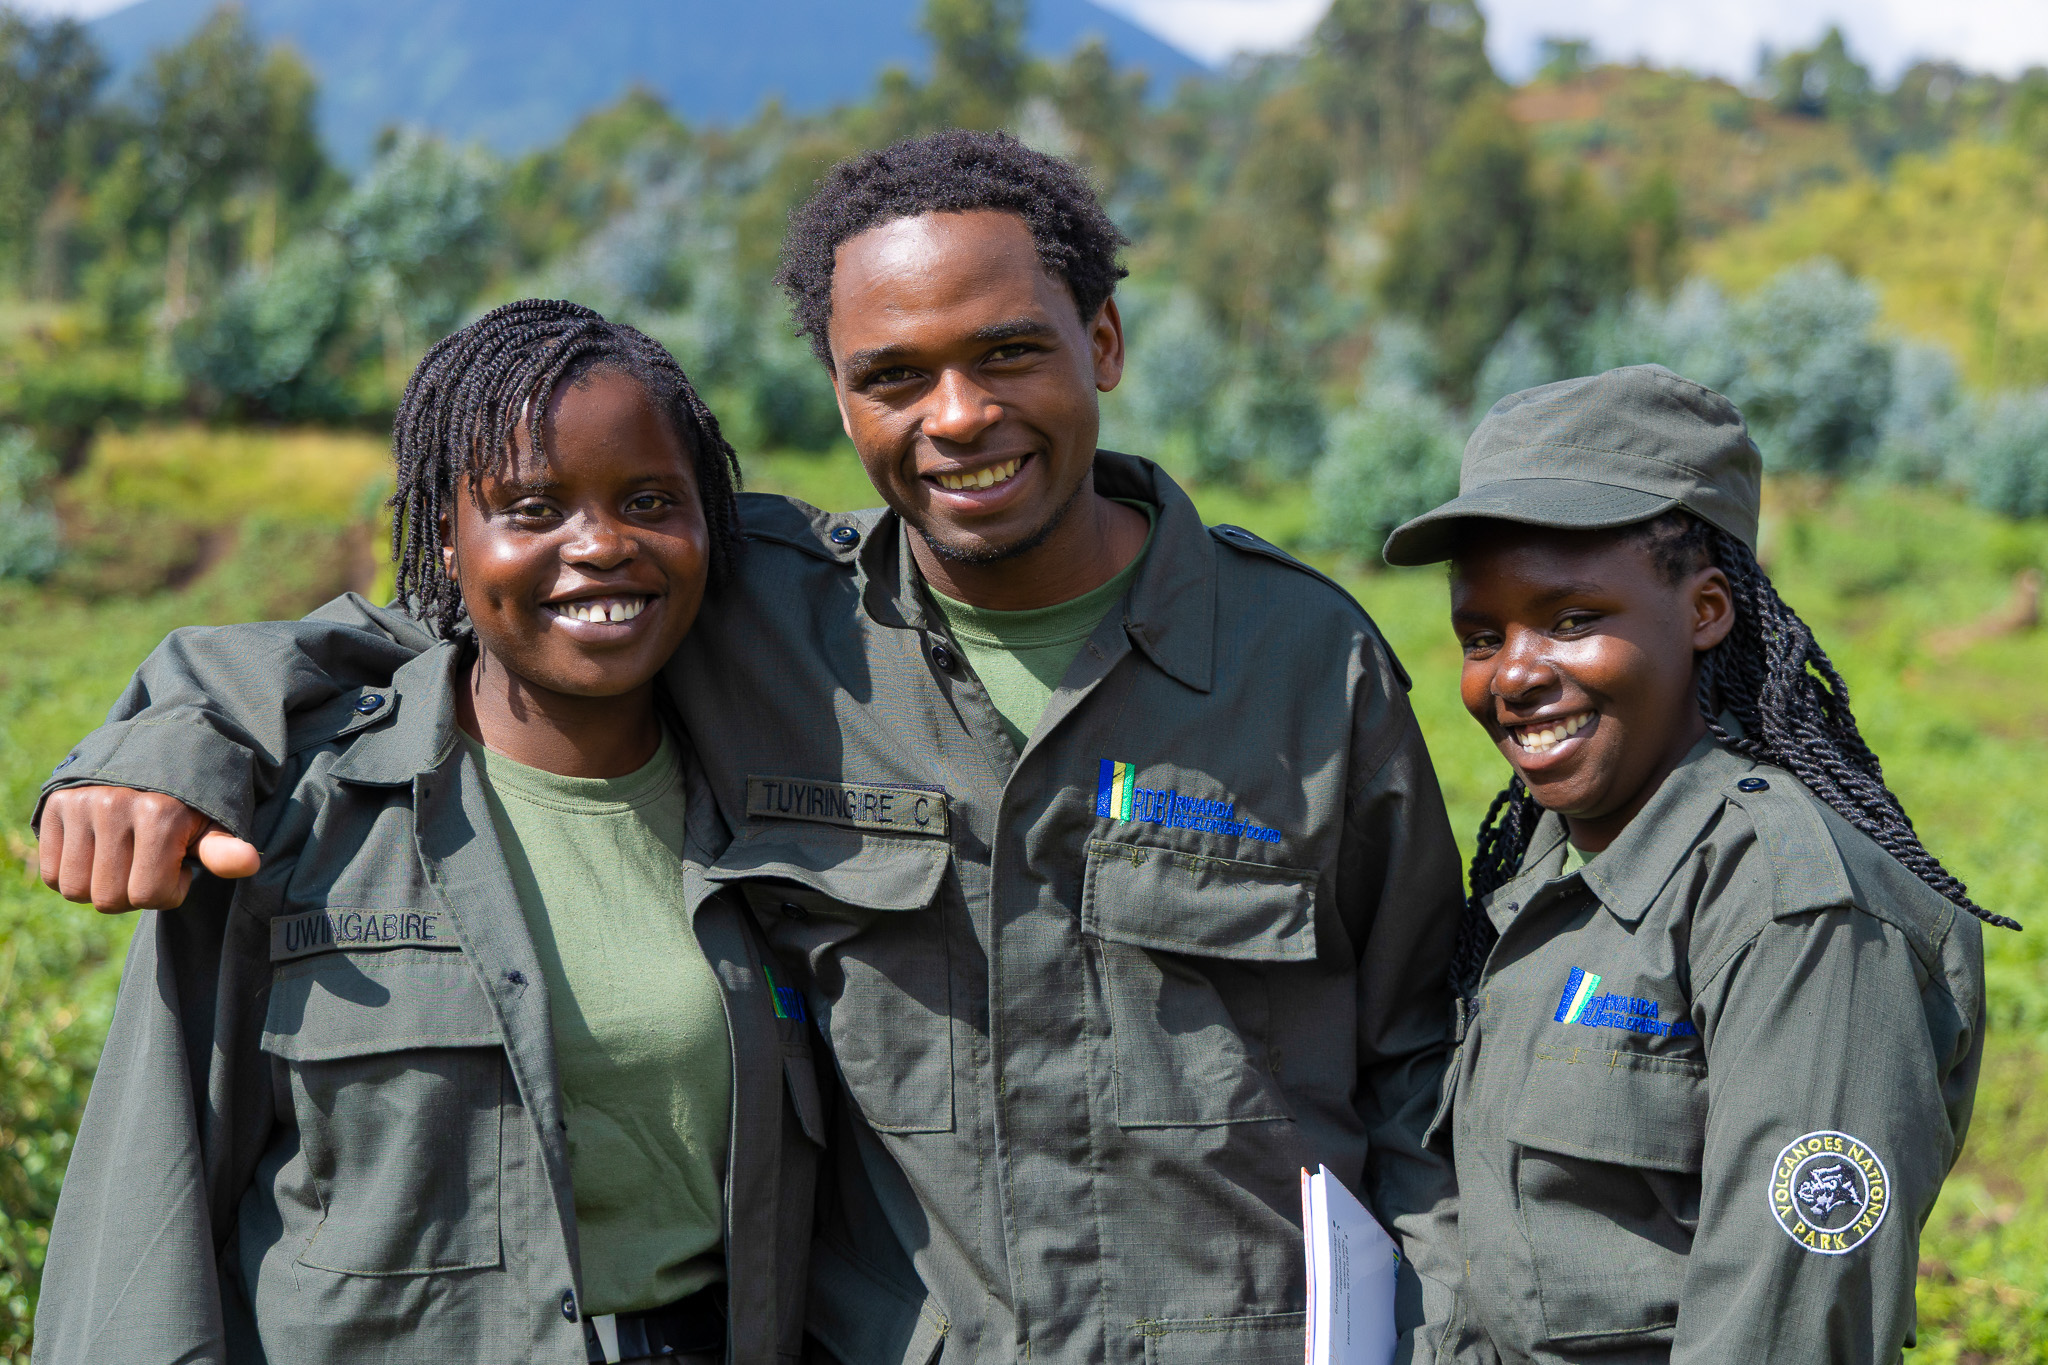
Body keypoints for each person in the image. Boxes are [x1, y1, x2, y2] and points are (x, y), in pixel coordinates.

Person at [38, 132, 1468, 1364]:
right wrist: (183, 717)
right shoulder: (781, 617)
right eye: (895, 373)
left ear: (1101, 343)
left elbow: (1420, 1064)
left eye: (1010, 352)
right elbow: (479, 626)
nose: (958, 416)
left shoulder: (1304, 661)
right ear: (841, 398)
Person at [31, 302, 822, 1365]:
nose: (598, 545)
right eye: (532, 506)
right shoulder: (290, 819)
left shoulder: (778, 804)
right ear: (447, 539)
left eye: (648, 501)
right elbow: (147, 1210)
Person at [1381, 364, 2001, 1363]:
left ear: (1705, 609)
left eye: (1571, 620)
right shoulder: (1542, 876)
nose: (1514, 675)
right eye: (1480, 635)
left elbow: (1789, 1329)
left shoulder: (1791, 907)